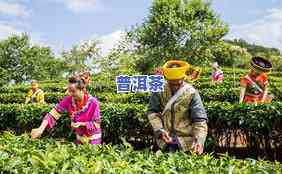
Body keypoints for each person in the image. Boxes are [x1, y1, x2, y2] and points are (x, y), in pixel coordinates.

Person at [147, 60, 208, 154]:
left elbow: (199, 119)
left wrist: (199, 140)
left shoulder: (191, 92)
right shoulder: (159, 91)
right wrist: (159, 130)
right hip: (164, 142)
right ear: (166, 79)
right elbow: (152, 112)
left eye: (178, 83)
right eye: (172, 83)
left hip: (186, 142)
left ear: (183, 78)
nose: (175, 87)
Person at [31, 75, 102, 145]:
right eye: (69, 91)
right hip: (80, 136)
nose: (71, 94)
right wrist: (41, 128)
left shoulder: (93, 102)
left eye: (73, 91)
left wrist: (81, 124)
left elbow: (97, 124)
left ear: (82, 90)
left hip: (93, 137)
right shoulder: (68, 100)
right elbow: (53, 114)